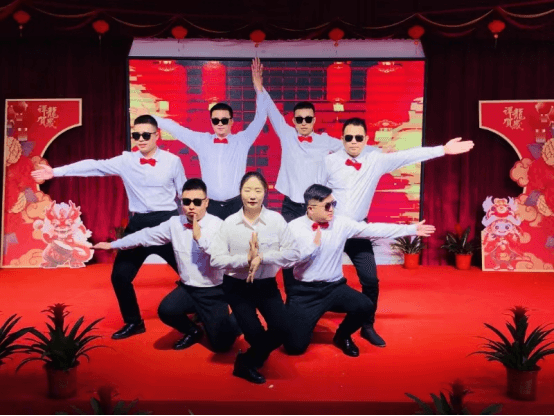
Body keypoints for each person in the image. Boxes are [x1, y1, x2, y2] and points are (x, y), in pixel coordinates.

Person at [318, 117, 475, 347]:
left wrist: (442, 149)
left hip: (360, 229)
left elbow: (408, 155)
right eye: (348, 137)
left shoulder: (376, 160)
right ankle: (309, 316)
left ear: (366, 139)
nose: (353, 142)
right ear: (342, 139)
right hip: (331, 228)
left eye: (358, 137)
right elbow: (315, 194)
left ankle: (367, 325)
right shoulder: (329, 162)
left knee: (370, 279)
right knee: (317, 276)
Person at [31, 115, 186, 340]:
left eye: (145, 135)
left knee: (190, 274)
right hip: (138, 223)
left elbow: (184, 194)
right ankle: (133, 322)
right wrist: (55, 172)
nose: (141, 139)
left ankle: (201, 312)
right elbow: (93, 166)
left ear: (157, 135)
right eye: (136, 135)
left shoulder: (173, 161)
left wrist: (190, 225)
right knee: (120, 276)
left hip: (167, 222)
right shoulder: (126, 161)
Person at [251, 58, 381, 293]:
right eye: (299, 119)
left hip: (317, 207)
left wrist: (383, 153)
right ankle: (294, 299)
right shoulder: (287, 134)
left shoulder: (325, 141)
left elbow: (353, 146)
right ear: (293, 120)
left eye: (308, 119)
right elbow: (271, 111)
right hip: (291, 206)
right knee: (291, 254)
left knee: (319, 251)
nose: (303, 123)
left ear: (314, 120)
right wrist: (259, 87)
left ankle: (320, 295)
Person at [284, 184, 436, 357]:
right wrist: (313, 245)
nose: (332, 209)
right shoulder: (294, 228)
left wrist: (410, 229)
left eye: (333, 204)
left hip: (334, 288)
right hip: (305, 292)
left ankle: (342, 336)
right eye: (327, 206)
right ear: (311, 209)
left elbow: (372, 229)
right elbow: (289, 261)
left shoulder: (340, 223)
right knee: (294, 348)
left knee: (365, 306)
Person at [93, 178, 239, 352]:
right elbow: (144, 236)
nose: (191, 206)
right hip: (188, 290)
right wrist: (112, 244)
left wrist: (200, 239)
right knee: (166, 311)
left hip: (213, 291)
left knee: (222, 346)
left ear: (206, 202)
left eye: (197, 202)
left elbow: (221, 257)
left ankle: (242, 316)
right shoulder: (174, 224)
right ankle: (193, 331)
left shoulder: (219, 225)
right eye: (187, 202)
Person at [210, 172, 317, 385]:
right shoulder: (229, 223)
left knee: (283, 331)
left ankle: (245, 360)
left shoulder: (276, 220)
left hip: (266, 285)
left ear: (265, 193)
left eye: (258, 190)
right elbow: (216, 259)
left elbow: (293, 253)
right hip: (237, 287)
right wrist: (246, 260)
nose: (252, 195)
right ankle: (249, 360)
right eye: (247, 190)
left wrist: (263, 258)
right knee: (256, 335)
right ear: (240, 192)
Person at [150, 60, 268, 220]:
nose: (220, 124)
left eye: (224, 120)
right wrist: (147, 117)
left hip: (237, 205)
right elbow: (175, 129)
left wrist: (258, 88)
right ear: (211, 122)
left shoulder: (242, 140)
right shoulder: (202, 141)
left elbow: (260, 118)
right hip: (210, 206)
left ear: (231, 122)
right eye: (216, 120)